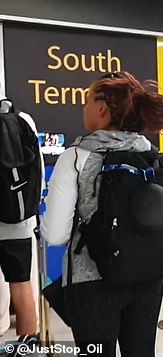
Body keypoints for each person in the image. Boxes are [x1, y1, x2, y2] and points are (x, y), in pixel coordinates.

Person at [41, 71, 163, 356]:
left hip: (92, 284)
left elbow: (57, 234)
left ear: (101, 108)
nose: (83, 108)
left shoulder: (74, 158)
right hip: (146, 277)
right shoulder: (152, 153)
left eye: (86, 101)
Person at [0, 97, 42, 345]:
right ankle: (28, 345)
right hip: (18, 219)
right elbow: (35, 168)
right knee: (21, 282)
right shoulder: (23, 120)